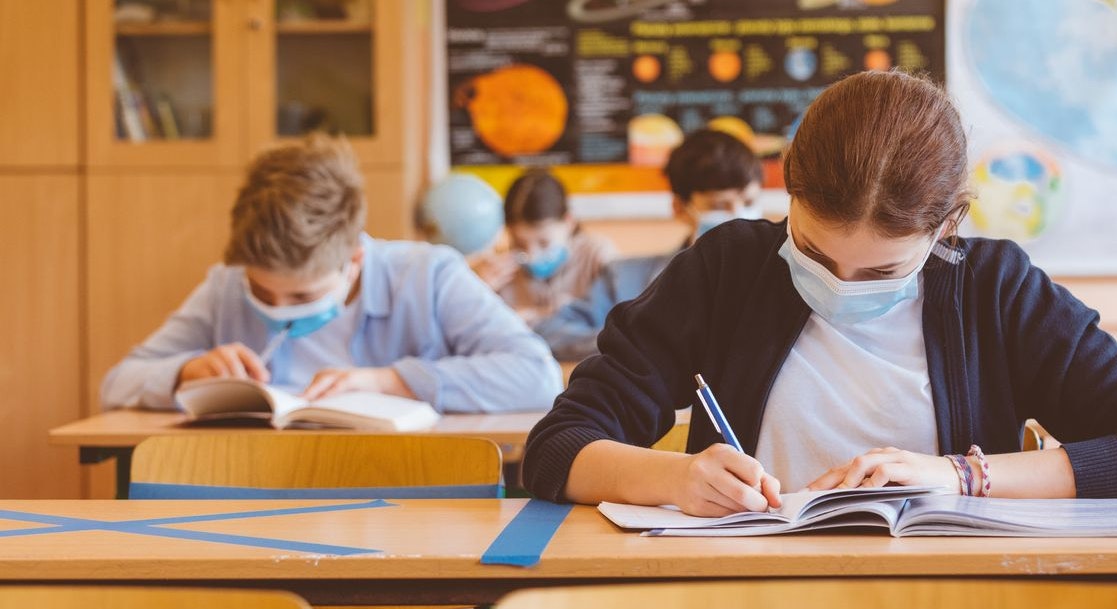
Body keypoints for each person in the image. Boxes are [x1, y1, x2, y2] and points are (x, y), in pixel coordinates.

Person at [523, 71, 1117, 515]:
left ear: (947, 226)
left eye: (881, 273)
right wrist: (674, 477)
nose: (839, 284)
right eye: (812, 253)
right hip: (746, 598)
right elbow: (556, 447)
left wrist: (963, 477)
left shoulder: (994, 288)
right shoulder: (726, 269)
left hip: (949, 602)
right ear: (788, 190)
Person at [101, 134, 563, 414]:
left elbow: (536, 376)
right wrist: (185, 371)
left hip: (406, 499)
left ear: (354, 259)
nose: (277, 309)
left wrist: (389, 382)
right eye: (261, 291)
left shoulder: (429, 276)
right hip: (258, 494)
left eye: (302, 297)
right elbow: (118, 382)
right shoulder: (226, 286)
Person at [533, 129, 764, 361]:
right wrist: (634, 343)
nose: (739, 217)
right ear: (680, 208)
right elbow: (552, 332)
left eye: (748, 202)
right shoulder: (623, 278)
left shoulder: (778, 276)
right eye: (719, 206)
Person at [471, 169, 616, 325]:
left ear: (569, 222)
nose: (532, 256)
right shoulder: (496, 271)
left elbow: (618, 319)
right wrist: (476, 291)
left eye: (544, 243)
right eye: (519, 243)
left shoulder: (597, 256)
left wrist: (538, 315)